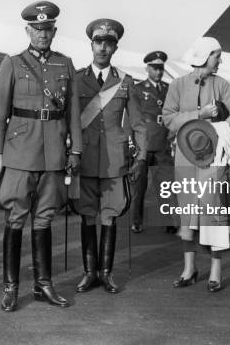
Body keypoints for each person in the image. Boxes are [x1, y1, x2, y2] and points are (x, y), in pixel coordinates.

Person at [0, 1, 82, 312]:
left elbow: (73, 111)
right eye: (37, 29)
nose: (42, 34)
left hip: (54, 152)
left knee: (45, 218)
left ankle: (44, 285)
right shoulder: (13, 64)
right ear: (27, 30)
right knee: (15, 218)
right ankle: (11, 287)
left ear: (54, 31)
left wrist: (76, 149)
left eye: (47, 29)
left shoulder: (64, 64)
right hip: (19, 153)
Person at [162, 36, 230, 292]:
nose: (220, 60)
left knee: (215, 214)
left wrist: (220, 130)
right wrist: (200, 115)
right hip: (186, 159)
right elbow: (168, 117)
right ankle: (189, 269)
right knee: (188, 214)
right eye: (216, 56)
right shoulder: (177, 85)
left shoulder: (222, 85)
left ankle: (216, 272)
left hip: (215, 160)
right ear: (203, 56)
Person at [73, 18, 147, 294]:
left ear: (115, 48)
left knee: (110, 216)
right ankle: (88, 272)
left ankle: (106, 273)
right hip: (84, 159)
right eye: (98, 42)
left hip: (115, 161)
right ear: (91, 44)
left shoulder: (126, 83)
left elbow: (139, 124)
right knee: (87, 215)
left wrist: (141, 156)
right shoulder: (77, 79)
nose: (103, 48)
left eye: (109, 43)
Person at [130, 51, 175, 234]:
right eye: (155, 68)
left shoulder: (169, 89)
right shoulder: (139, 89)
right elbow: (133, 118)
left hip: (162, 143)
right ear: (147, 68)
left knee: (165, 185)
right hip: (145, 142)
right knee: (139, 186)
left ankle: (170, 221)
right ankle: (136, 221)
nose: (158, 72)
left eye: (161, 68)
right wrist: (132, 143)